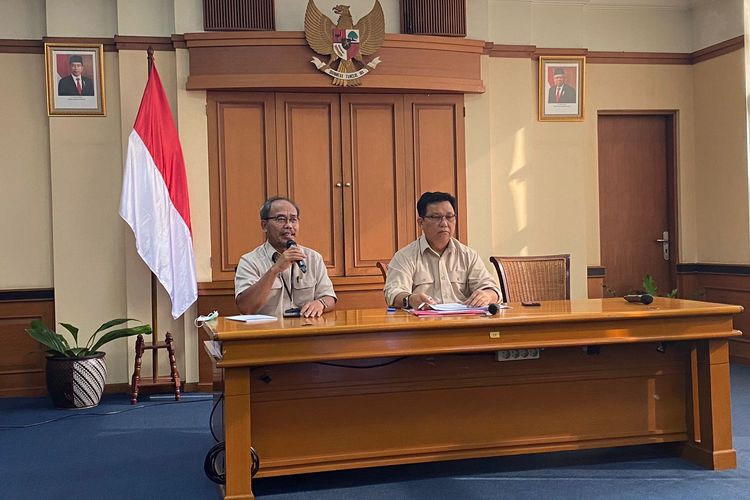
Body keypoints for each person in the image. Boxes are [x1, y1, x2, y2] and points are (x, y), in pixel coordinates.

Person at [384, 191, 502, 309]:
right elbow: (393, 293)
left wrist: (487, 295)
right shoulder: (405, 257)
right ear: (421, 222)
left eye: (450, 217)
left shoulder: (468, 255)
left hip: (463, 322)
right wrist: (410, 299)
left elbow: (492, 289)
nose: (444, 223)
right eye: (436, 217)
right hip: (424, 323)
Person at [235, 196, 336, 317]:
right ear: (264, 225)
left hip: (305, 330)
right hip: (266, 332)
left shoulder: (313, 258)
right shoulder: (249, 261)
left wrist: (321, 303)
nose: (289, 225)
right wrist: (275, 270)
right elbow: (246, 307)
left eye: (293, 220)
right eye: (281, 219)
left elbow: (329, 297)